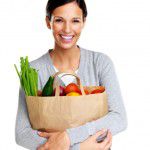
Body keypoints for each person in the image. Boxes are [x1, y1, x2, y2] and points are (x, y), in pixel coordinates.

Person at [15, 0, 127, 150]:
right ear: (48, 22)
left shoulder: (100, 63)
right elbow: (22, 134)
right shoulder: (33, 71)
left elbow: (119, 118)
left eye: (75, 21)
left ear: (83, 22)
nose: (67, 29)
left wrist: (68, 137)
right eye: (59, 20)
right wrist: (79, 148)